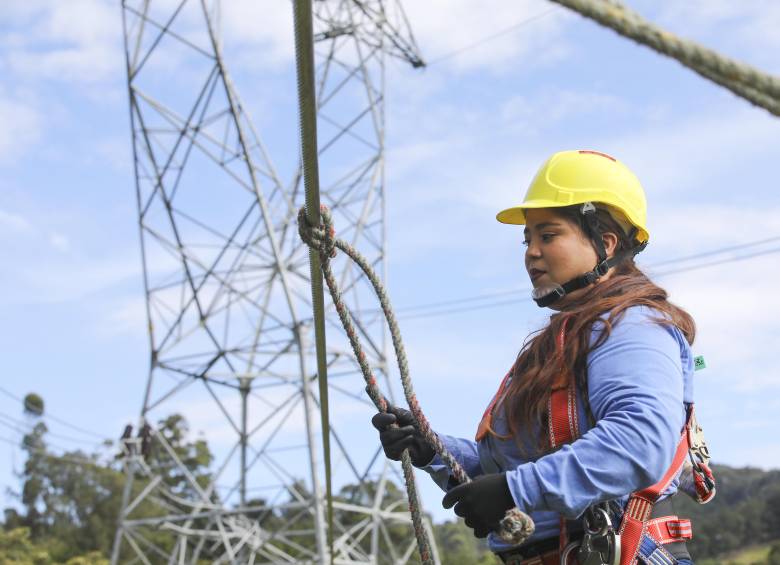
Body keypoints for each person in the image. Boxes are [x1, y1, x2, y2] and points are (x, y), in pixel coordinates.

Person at [372, 150, 710, 564]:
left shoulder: (631, 326)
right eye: (527, 239)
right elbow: (513, 470)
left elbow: (638, 442)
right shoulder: (563, 342)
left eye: (548, 236)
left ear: (605, 244)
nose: (531, 252)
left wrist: (514, 491)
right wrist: (434, 450)